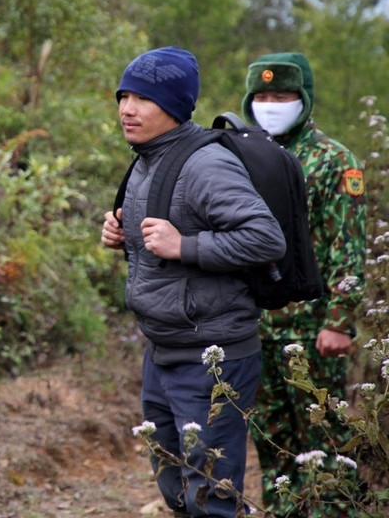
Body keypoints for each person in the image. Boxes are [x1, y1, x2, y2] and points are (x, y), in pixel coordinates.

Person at [101, 46, 285, 517]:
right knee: (176, 488)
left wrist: (184, 245)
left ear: (175, 105)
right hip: (163, 349)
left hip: (211, 356)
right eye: (123, 97)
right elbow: (163, 239)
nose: (127, 109)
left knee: (211, 500)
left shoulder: (205, 164)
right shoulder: (148, 158)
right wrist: (123, 235)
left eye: (142, 99)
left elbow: (265, 238)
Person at [241, 52, 367, 517]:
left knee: (326, 444)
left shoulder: (335, 161)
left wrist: (340, 321)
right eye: (263, 96)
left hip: (312, 332)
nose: (271, 105)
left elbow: (346, 247)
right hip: (253, 329)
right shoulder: (236, 154)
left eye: (283, 96)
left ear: (304, 99)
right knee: (273, 448)